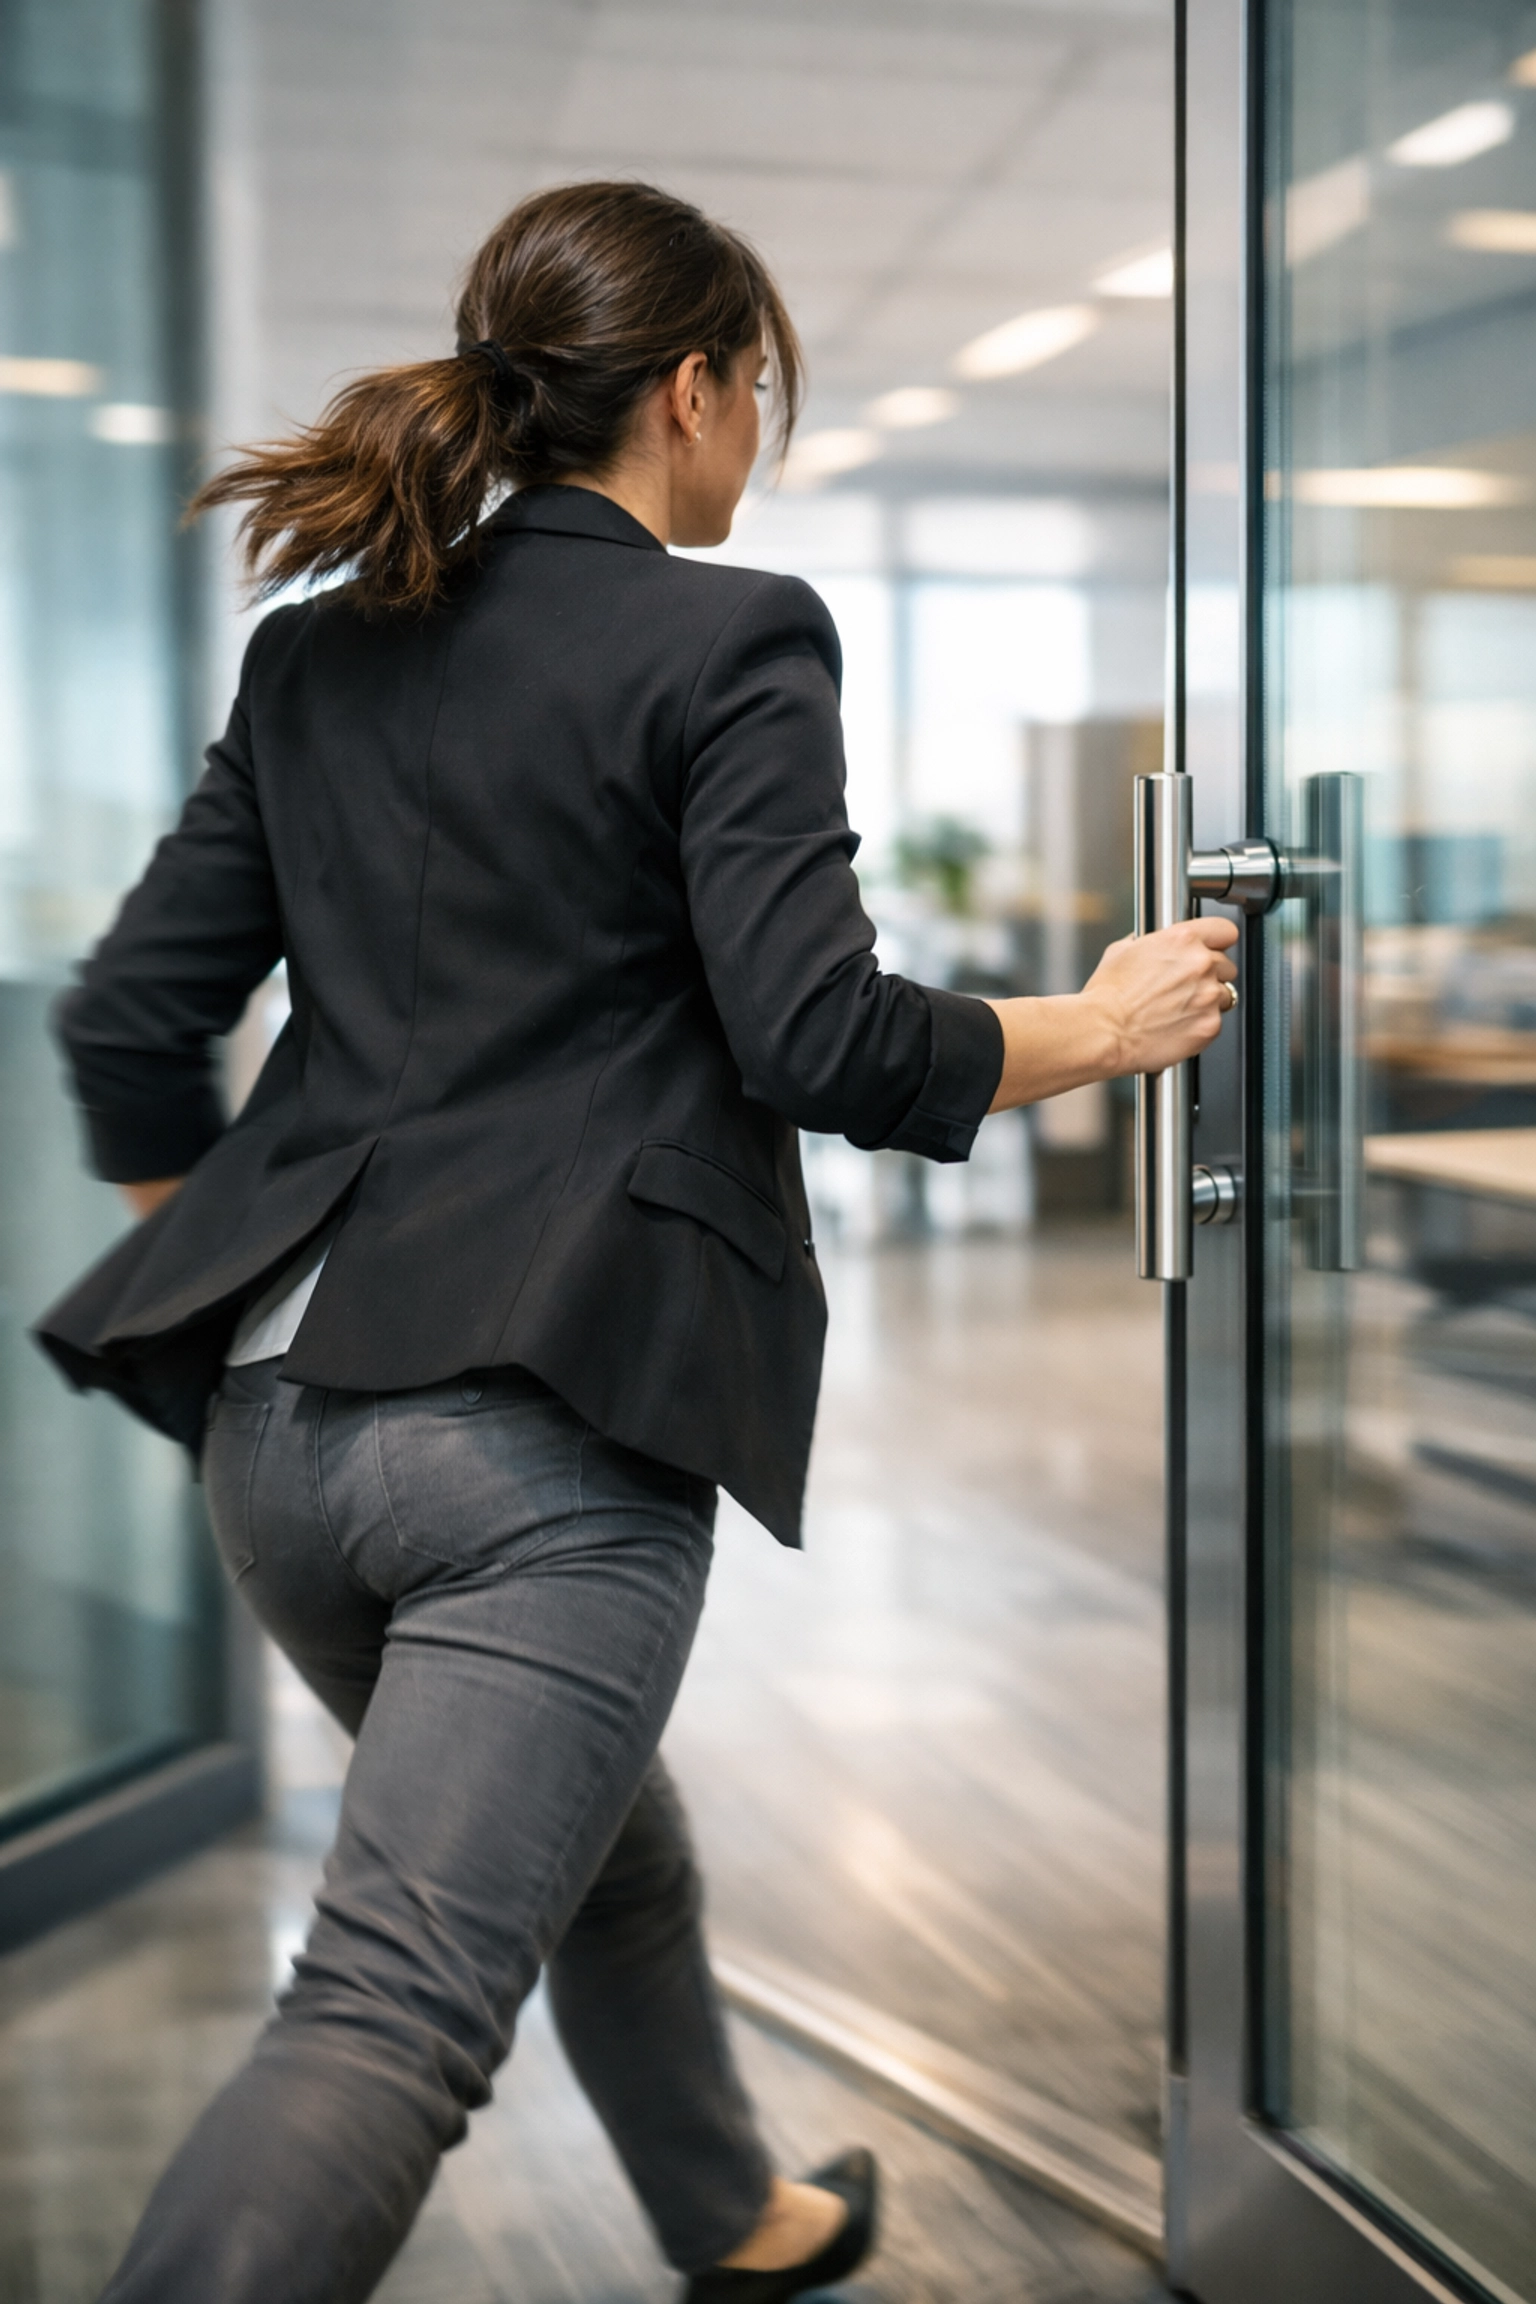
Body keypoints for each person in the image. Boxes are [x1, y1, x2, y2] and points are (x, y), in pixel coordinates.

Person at [36, 180, 1238, 2304]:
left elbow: (134, 1018)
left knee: (606, 1842)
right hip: (534, 1441)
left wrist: (247, 1273)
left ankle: (739, 2222)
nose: (752, 432)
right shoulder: (732, 632)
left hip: (272, 1434)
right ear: (690, 391)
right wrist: (1107, 1025)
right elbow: (820, 1033)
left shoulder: (320, 650)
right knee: (393, 2006)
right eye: (755, 389)